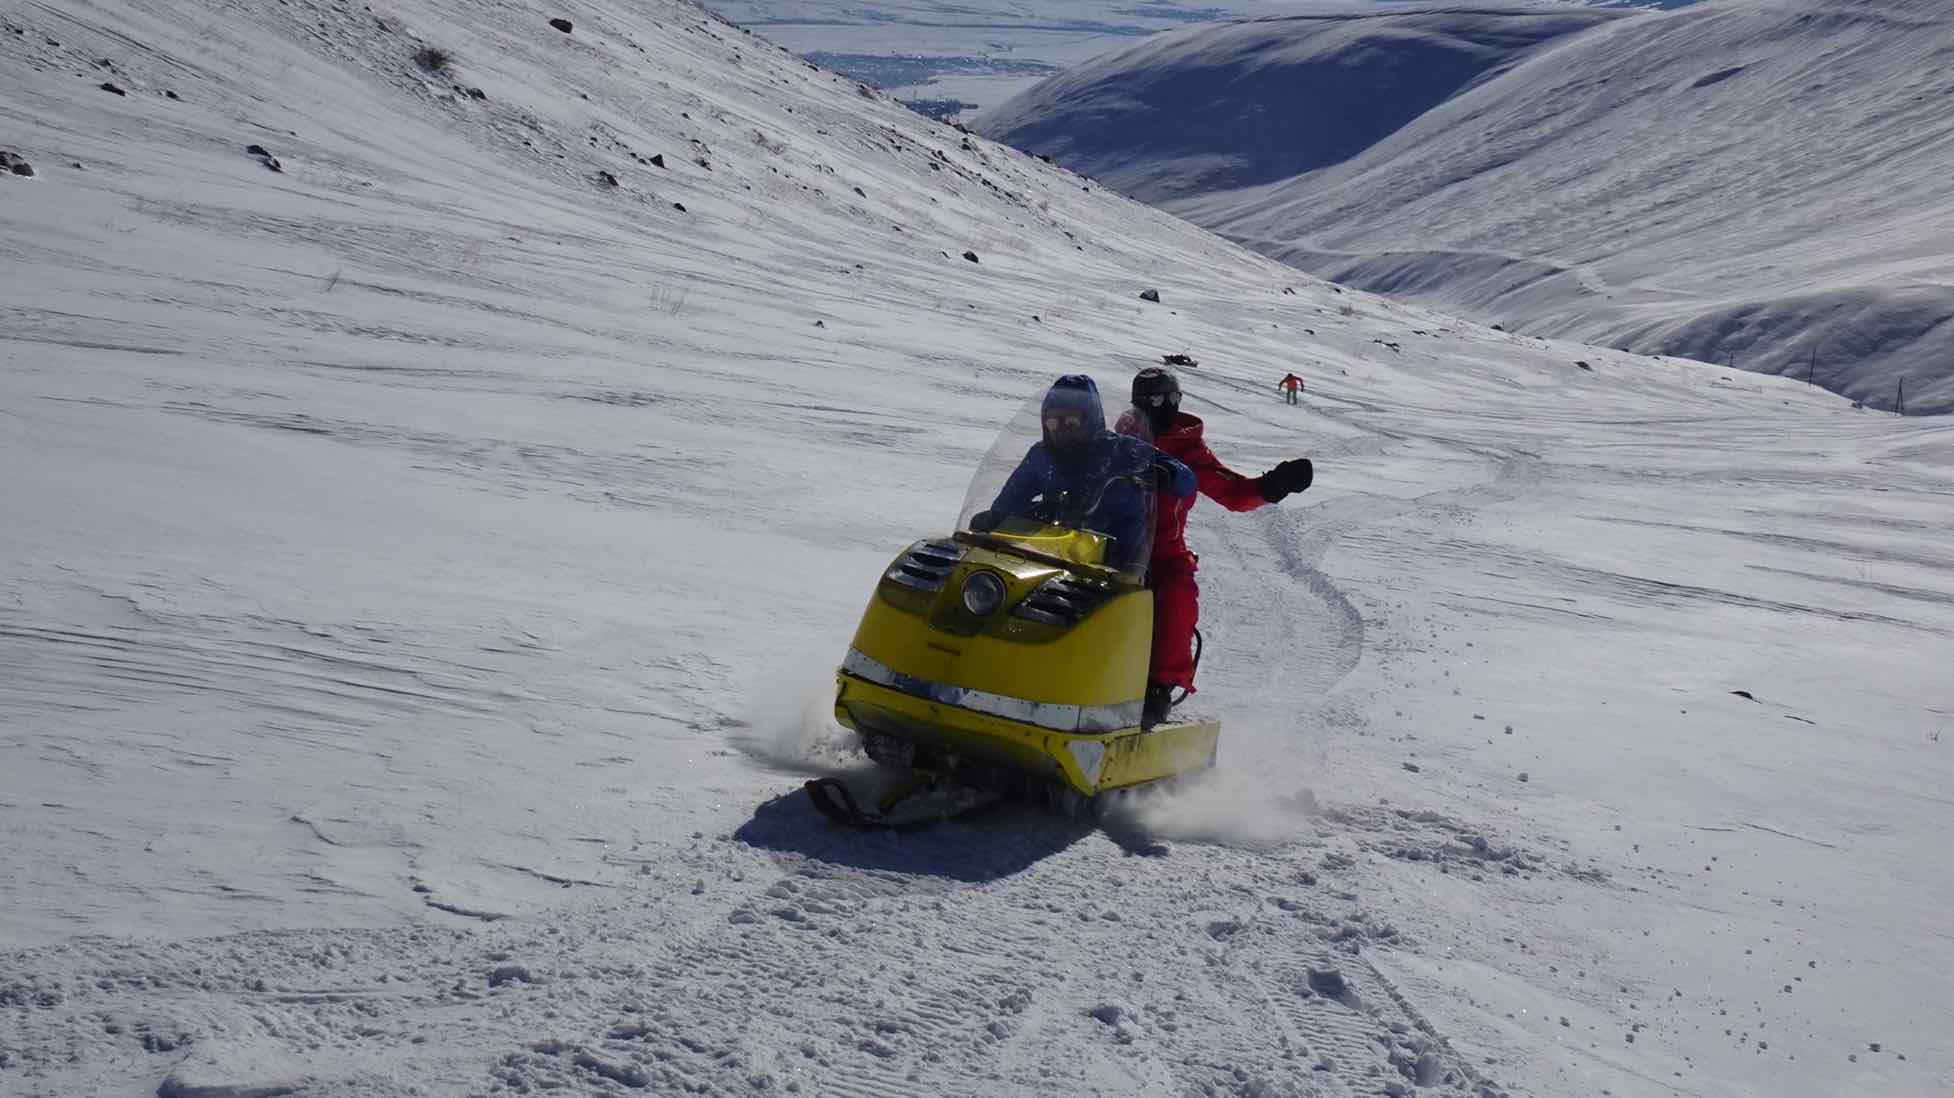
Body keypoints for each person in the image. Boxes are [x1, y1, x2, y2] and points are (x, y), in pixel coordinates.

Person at [1127, 366, 1313, 724]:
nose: (1163, 406)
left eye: (1170, 399)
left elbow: (1233, 492)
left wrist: (1273, 485)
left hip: (1161, 550)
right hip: (1106, 539)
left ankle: (1159, 685)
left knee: (1178, 592)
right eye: (1153, 400)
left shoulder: (1189, 452)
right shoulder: (1121, 439)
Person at [972, 375, 1195, 571]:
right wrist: (996, 519)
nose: (1060, 430)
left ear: (1089, 419)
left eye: (1071, 422)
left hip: (1119, 563)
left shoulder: (1121, 449)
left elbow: (1187, 480)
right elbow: (1011, 497)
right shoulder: (1042, 454)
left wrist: (1166, 474)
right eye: (1052, 422)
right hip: (1053, 551)